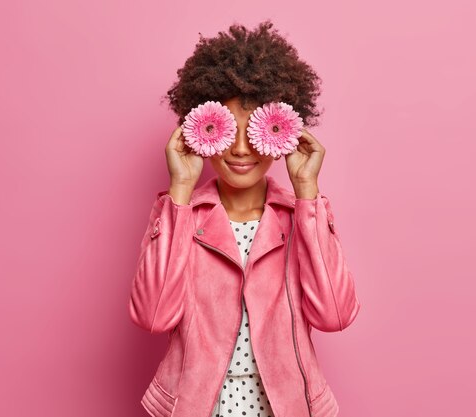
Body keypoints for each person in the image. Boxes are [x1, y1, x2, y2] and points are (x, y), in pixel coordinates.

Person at [129, 20, 361, 417]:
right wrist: (180, 190)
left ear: (285, 132)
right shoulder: (184, 212)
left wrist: (307, 191)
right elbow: (153, 316)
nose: (240, 149)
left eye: (256, 131)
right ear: (202, 128)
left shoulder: (298, 215)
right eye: (227, 129)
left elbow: (334, 314)